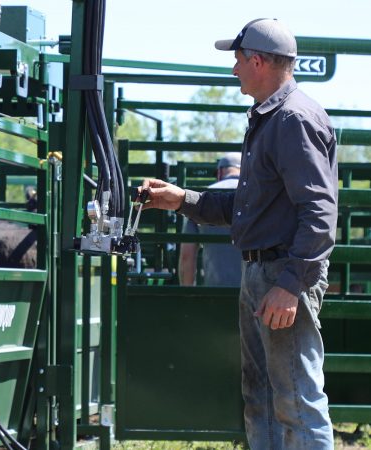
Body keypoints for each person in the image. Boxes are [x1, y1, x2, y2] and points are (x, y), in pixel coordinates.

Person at [139, 18, 338, 450]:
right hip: (263, 272)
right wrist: (181, 199)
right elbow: (251, 208)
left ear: (259, 61)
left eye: (238, 61)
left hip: (281, 274)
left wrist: (289, 285)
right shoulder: (273, 119)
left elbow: (319, 212)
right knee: (262, 395)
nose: (233, 70)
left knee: (297, 400)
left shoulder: (292, 119)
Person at [179, 153, 242, 286]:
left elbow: (187, 256)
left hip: (215, 292)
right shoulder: (257, 196)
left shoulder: (200, 199)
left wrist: (187, 294)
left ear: (219, 173)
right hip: (254, 293)